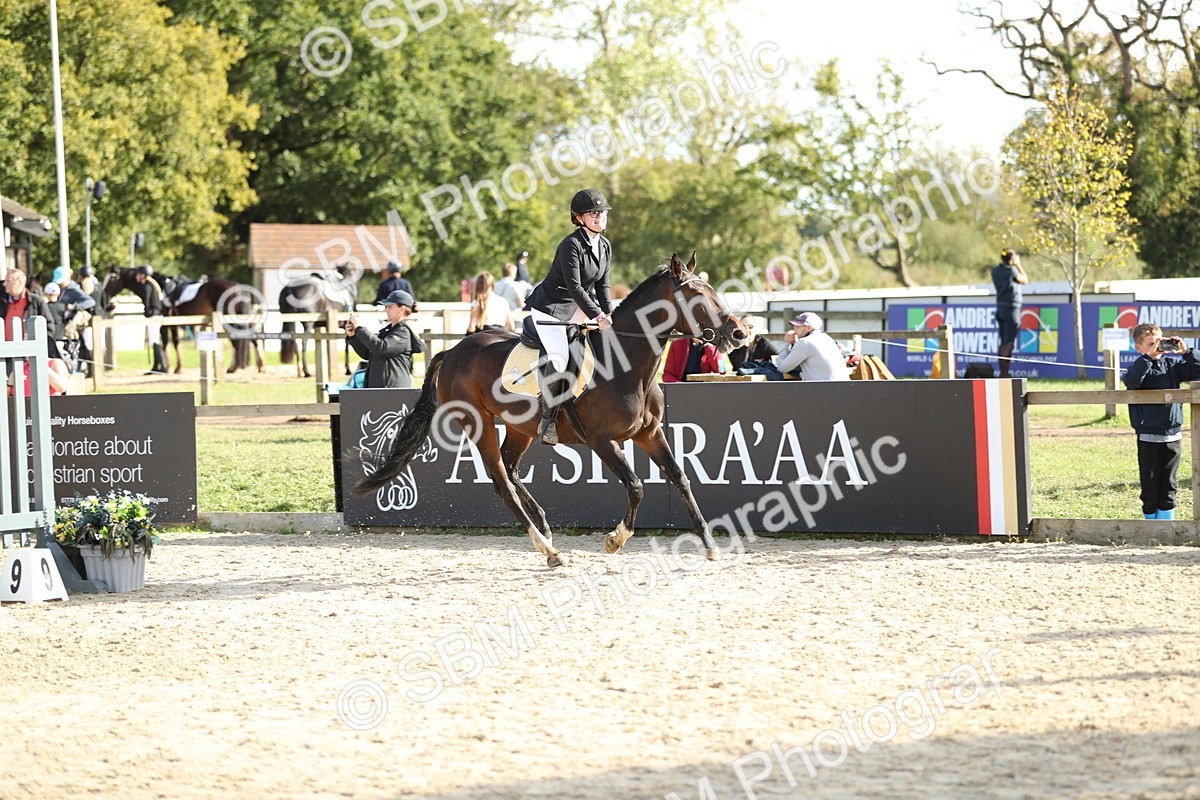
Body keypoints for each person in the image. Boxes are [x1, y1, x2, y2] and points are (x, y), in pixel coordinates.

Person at [523, 188, 614, 445]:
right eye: (593, 213)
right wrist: (598, 316)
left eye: (602, 212)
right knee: (561, 358)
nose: (600, 216)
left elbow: (603, 286)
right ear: (579, 217)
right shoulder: (570, 245)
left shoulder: (605, 245)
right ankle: (547, 420)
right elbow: (575, 287)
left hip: (577, 309)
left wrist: (609, 312)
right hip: (551, 308)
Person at [1122, 324, 1200, 520]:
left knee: (1169, 484)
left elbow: (1197, 370)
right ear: (1138, 347)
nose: (1157, 347)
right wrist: (1148, 358)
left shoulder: (1172, 365)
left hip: (1173, 435)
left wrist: (1186, 352)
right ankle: (1151, 526)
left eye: (1160, 342)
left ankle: (1166, 525)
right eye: (1151, 344)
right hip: (1148, 436)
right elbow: (1132, 381)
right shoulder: (1138, 367)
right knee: (1149, 486)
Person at [345, 289, 425, 388]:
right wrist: (353, 336)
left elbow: (382, 349)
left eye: (390, 306)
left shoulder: (403, 331)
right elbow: (368, 353)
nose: (386, 310)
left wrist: (360, 329)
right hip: (381, 390)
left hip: (394, 390)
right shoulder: (388, 331)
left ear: (402, 309)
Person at [775, 312, 850, 381]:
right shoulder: (826, 338)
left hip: (825, 388)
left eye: (798, 326)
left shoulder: (805, 342)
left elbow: (782, 368)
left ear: (809, 328)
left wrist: (787, 343)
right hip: (843, 386)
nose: (794, 329)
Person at [992, 248, 1029, 378]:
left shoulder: (995, 270)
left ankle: (1003, 372)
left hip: (1000, 308)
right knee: (1008, 343)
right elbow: (1025, 280)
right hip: (1012, 309)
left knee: (1003, 342)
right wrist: (1019, 265)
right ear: (1012, 259)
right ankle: (1004, 374)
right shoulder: (1012, 271)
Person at [131, 264, 167, 374]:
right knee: (154, 340)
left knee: (154, 340)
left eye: (138, 274)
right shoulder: (150, 285)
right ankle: (157, 366)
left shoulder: (147, 286)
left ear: (143, 275)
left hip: (154, 315)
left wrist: (146, 314)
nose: (137, 276)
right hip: (156, 314)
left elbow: (147, 303)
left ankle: (163, 366)